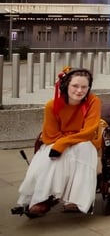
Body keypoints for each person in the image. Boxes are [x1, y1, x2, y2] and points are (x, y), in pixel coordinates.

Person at [16, 68, 100, 216]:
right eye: (75, 86)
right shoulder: (51, 106)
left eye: (84, 87)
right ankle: (42, 198)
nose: (79, 91)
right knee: (53, 154)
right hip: (60, 140)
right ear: (66, 85)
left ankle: (75, 199)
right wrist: (65, 142)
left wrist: (64, 142)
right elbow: (50, 136)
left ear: (89, 88)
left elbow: (88, 132)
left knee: (83, 148)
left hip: (84, 140)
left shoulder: (93, 101)